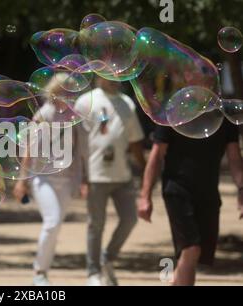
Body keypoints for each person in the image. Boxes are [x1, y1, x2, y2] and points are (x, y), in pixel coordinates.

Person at [138, 120, 243, 286]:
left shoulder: (224, 119)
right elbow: (157, 155)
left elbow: (234, 157)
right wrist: (145, 196)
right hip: (177, 190)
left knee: (191, 257)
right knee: (191, 249)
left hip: (208, 194)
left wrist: (241, 189)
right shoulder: (172, 114)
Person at [75, 77, 146, 286]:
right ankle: (93, 272)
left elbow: (135, 140)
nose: (115, 78)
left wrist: (144, 168)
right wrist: (82, 175)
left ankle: (108, 257)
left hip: (122, 174)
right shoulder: (85, 101)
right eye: (109, 74)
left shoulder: (127, 102)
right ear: (98, 76)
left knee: (130, 219)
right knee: (96, 225)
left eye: (117, 74)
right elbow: (79, 142)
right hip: (96, 173)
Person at [13, 74, 79, 286]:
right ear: (54, 91)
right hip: (43, 179)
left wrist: (81, 179)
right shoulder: (43, 114)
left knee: (56, 225)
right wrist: (22, 180)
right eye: (64, 90)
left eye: (70, 90)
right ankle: (39, 272)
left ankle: (43, 271)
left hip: (66, 180)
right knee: (52, 222)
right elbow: (29, 151)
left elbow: (78, 151)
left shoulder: (73, 116)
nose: (68, 95)